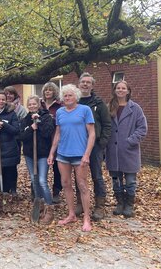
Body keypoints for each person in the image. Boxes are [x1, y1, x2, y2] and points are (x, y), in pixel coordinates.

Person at [48, 84, 95, 232]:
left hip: (80, 155)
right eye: (65, 96)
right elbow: (58, 133)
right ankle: (71, 214)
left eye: (70, 95)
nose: (68, 98)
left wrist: (87, 154)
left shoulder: (85, 110)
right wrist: (52, 153)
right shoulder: (60, 112)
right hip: (63, 154)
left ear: (76, 97)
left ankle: (87, 218)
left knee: (82, 185)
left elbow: (92, 134)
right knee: (66, 184)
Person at [106, 81, 147, 218]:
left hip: (129, 151)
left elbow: (142, 128)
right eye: (118, 88)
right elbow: (105, 127)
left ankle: (129, 205)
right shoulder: (109, 107)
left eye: (123, 88)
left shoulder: (135, 109)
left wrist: (130, 141)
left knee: (130, 181)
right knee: (116, 180)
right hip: (113, 150)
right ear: (114, 90)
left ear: (128, 91)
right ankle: (120, 203)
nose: (121, 90)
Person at [76, 72, 112, 221]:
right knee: (78, 176)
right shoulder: (74, 102)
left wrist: (102, 142)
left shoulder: (98, 103)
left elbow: (107, 124)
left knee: (97, 175)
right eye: (83, 82)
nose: (85, 84)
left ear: (92, 85)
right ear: (79, 84)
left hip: (95, 145)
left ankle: (99, 205)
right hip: (78, 144)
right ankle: (80, 202)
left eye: (88, 82)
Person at [20, 95, 55, 224]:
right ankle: (38, 202)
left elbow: (47, 133)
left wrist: (38, 122)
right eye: (30, 105)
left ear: (39, 105)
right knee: (34, 180)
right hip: (30, 154)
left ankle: (49, 206)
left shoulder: (46, 117)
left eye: (34, 104)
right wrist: (31, 128)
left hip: (42, 154)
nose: (32, 106)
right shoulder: (25, 119)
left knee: (42, 180)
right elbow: (21, 136)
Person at [41, 82, 63, 203]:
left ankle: (56, 190)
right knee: (41, 165)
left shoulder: (60, 106)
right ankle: (39, 190)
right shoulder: (40, 105)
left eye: (50, 90)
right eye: (46, 90)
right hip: (41, 140)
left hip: (55, 139)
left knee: (56, 167)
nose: (48, 92)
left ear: (54, 92)